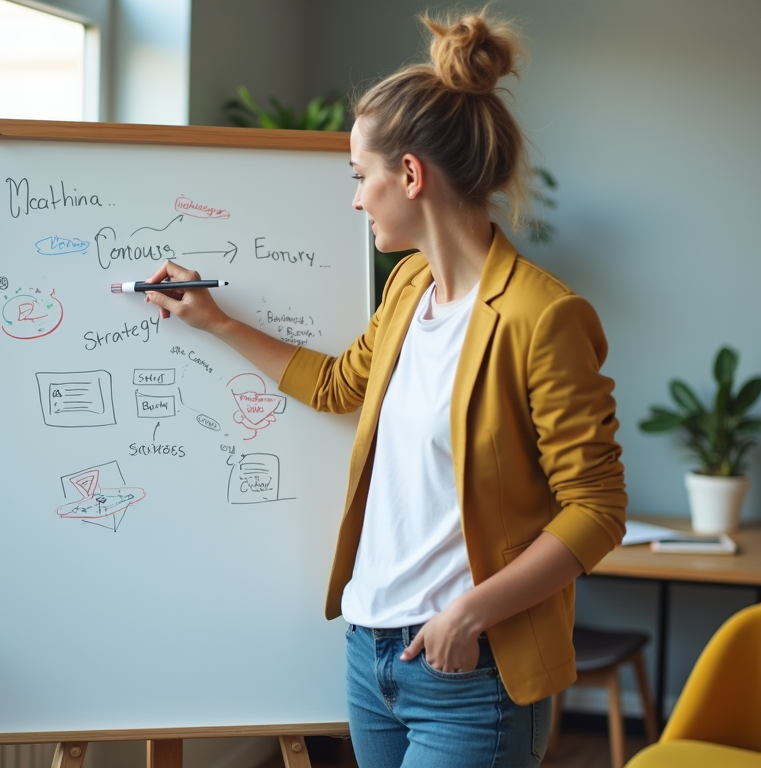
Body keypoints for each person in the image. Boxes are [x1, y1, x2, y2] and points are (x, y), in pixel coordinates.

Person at [142, 9, 626, 768]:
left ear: (410, 174)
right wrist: (215, 322)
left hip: (472, 666)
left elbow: (597, 509)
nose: (357, 199)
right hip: (371, 654)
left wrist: (469, 613)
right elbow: (339, 385)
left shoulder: (543, 316)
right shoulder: (407, 287)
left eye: (360, 176)